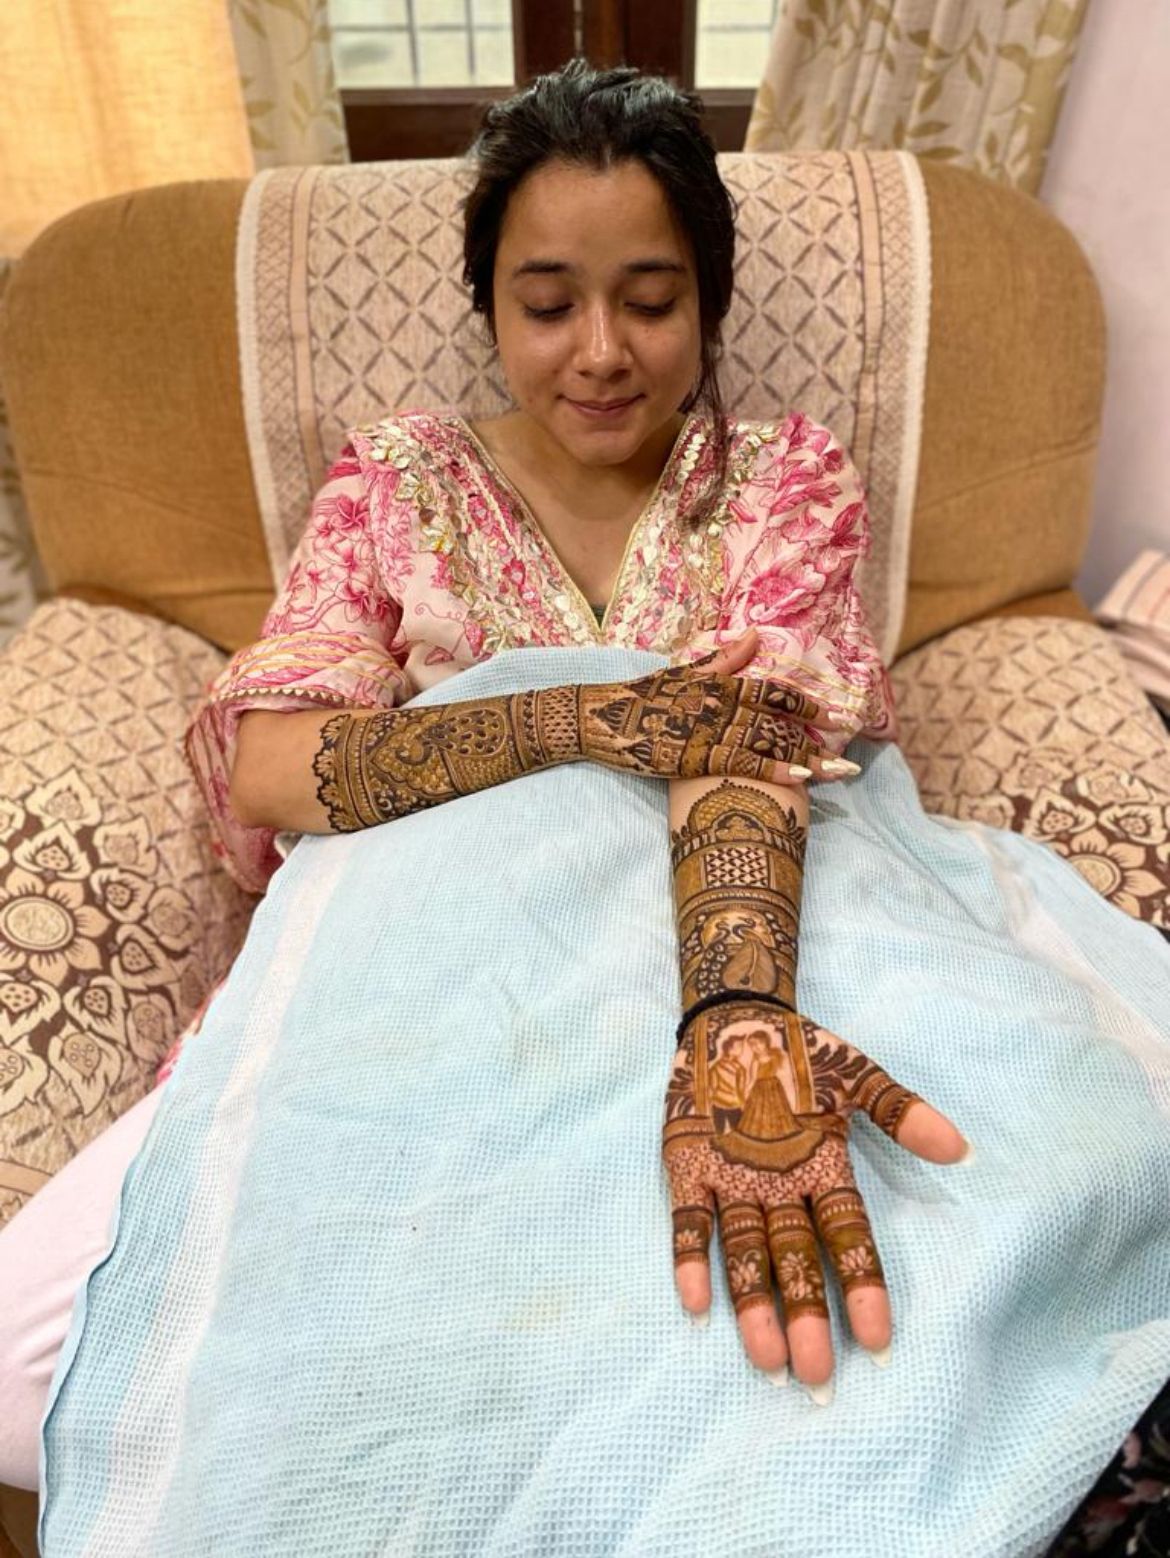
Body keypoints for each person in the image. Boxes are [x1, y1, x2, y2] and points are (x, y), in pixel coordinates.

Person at [0, 59, 1161, 1555]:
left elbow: (752, 742)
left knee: (1014, 1236)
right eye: (547, 303)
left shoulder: (780, 480)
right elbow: (274, 762)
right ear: (488, 305)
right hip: (445, 953)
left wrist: (736, 1020)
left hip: (766, 917)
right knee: (34, 1361)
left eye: (651, 300)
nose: (601, 353)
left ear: (708, 305)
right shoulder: (400, 482)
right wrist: (582, 715)